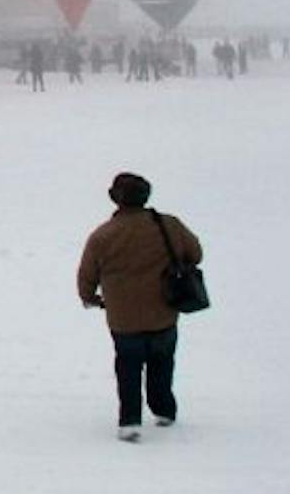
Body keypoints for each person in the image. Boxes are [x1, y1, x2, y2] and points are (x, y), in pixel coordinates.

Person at [77, 171, 203, 441]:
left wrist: (90, 298)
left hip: (123, 318)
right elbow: (196, 253)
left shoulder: (103, 236)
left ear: (115, 199)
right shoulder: (169, 225)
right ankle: (164, 409)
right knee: (162, 362)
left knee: (128, 367)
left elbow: (86, 276)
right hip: (164, 312)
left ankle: (130, 420)